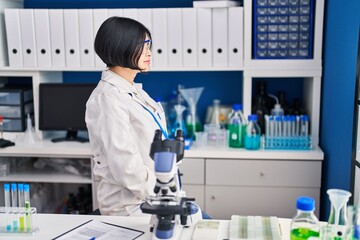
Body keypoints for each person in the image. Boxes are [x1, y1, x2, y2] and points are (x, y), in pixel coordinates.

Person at [85, 17, 167, 216]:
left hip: (150, 196)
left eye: (149, 45)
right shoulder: (108, 99)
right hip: (129, 207)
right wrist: (163, 192)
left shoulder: (132, 89)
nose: (149, 52)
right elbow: (126, 168)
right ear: (122, 48)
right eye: (143, 45)